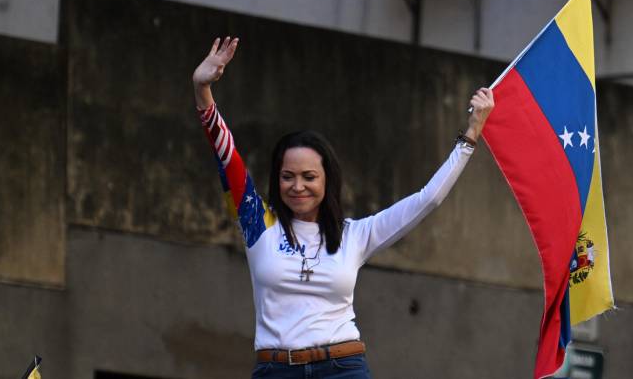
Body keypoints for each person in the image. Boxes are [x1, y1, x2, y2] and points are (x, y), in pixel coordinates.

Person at [193, 36, 494, 379]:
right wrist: (203, 91)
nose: (298, 186)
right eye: (287, 176)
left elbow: (428, 199)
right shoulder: (258, 224)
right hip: (275, 370)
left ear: (327, 181)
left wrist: (471, 134)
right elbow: (226, 156)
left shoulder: (356, 234)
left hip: (342, 367)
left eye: (309, 176)